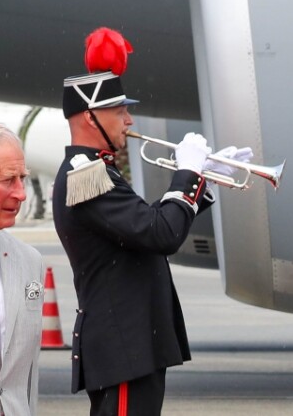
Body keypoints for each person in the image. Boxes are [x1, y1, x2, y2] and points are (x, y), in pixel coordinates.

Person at [52, 27, 252, 416]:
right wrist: (188, 175)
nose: (128, 120)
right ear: (90, 118)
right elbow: (161, 234)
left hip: (130, 342)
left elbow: (144, 225)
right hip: (123, 342)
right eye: (119, 111)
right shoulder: (85, 175)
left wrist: (202, 179)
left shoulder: (97, 172)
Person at [0, 119, 44, 416]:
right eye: (8, 180)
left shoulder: (29, 261)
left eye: (22, 178)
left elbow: (28, 375)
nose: (21, 194)